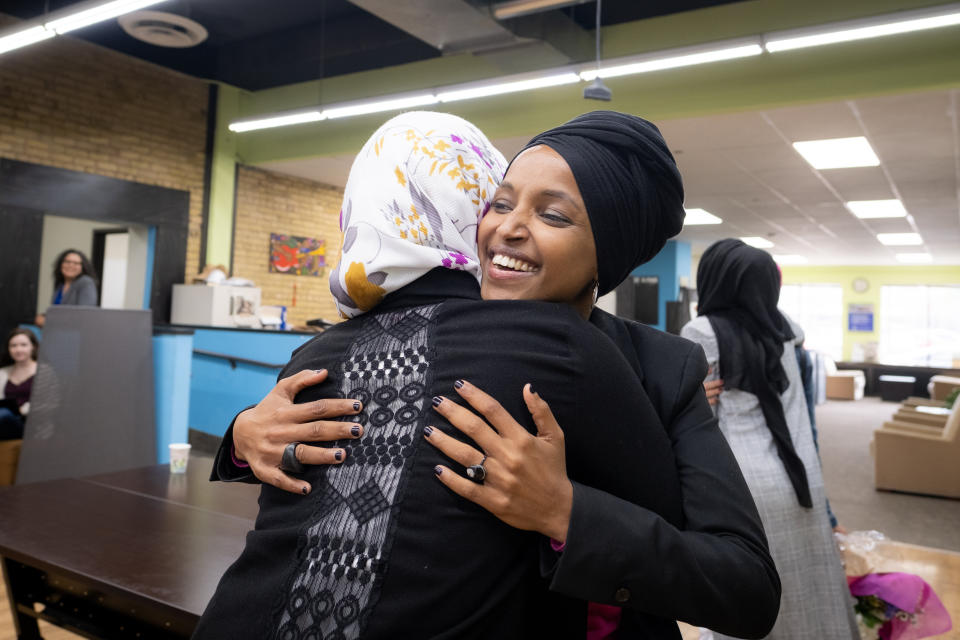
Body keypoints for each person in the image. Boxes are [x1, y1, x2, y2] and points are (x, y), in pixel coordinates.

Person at [208, 112, 780, 638]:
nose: (507, 229)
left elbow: (745, 587)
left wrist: (564, 511)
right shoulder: (423, 343)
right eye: (500, 204)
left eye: (552, 215)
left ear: (608, 256)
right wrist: (243, 438)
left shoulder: (661, 368)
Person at [680, 238, 857, 639]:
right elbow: (805, 424)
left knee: (748, 598)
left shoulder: (702, 331)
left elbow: (695, 425)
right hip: (800, 481)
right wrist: (827, 510)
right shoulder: (789, 331)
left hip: (743, 487)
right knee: (810, 590)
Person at [34, 249, 99, 328]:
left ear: (83, 267)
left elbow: (85, 314)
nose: (71, 265)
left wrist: (49, 320)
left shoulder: (86, 282)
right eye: (67, 262)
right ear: (61, 264)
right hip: (57, 332)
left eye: (76, 263)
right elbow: (58, 311)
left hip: (75, 333)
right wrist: (43, 317)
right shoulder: (60, 284)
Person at [0, 328, 38, 440]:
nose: (18, 349)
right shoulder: (3, 372)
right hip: (6, 422)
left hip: (31, 424)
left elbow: (48, 404)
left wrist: (22, 410)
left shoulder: (44, 372)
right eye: (13, 345)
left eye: (23, 345)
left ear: (33, 347)